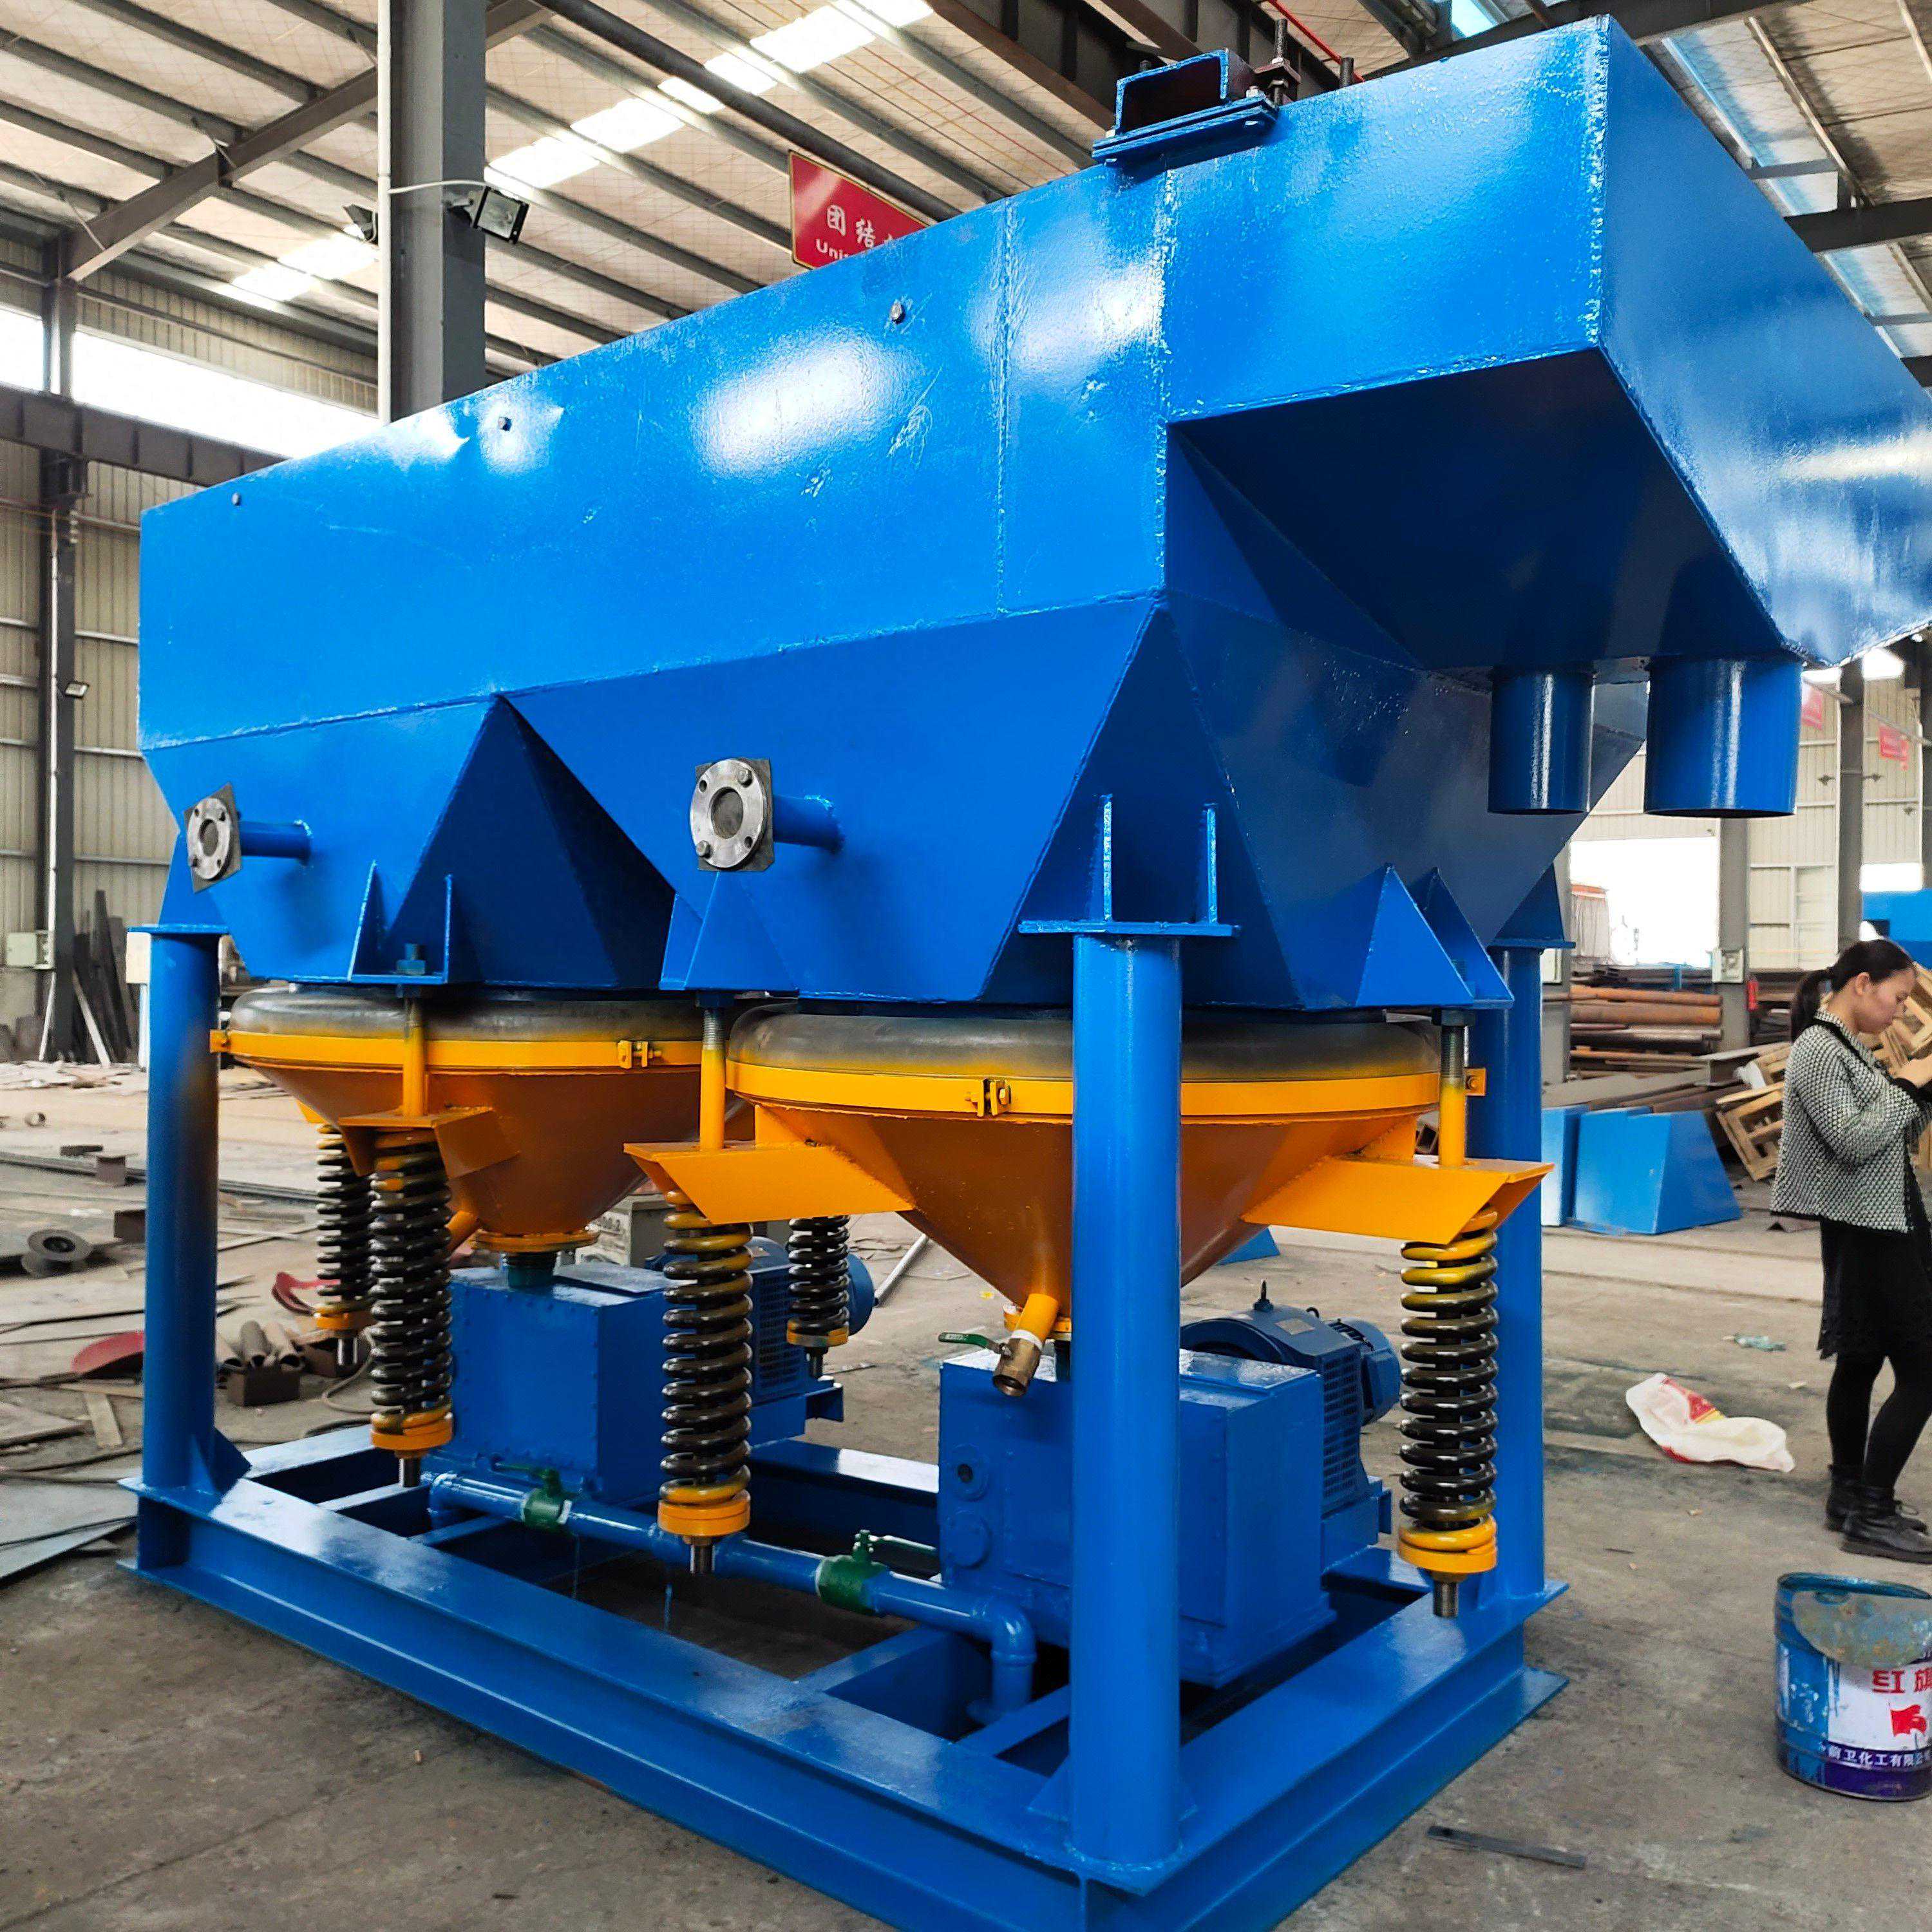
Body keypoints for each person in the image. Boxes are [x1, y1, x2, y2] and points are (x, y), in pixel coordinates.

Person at [1774, 938, 1932, 1562]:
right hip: (1870, 1227)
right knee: (1923, 1371)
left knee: (1862, 1359)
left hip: (1880, 1217)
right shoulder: (1819, 1049)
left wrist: (1920, 1090)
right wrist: (1908, 1081)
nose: (1900, 1011)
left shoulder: (1849, 1047)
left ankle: (1847, 1494)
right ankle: (1872, 1511)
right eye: (1897, 997)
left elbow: (1889, 1130)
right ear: (1863, 984)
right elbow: (1852, 1139)